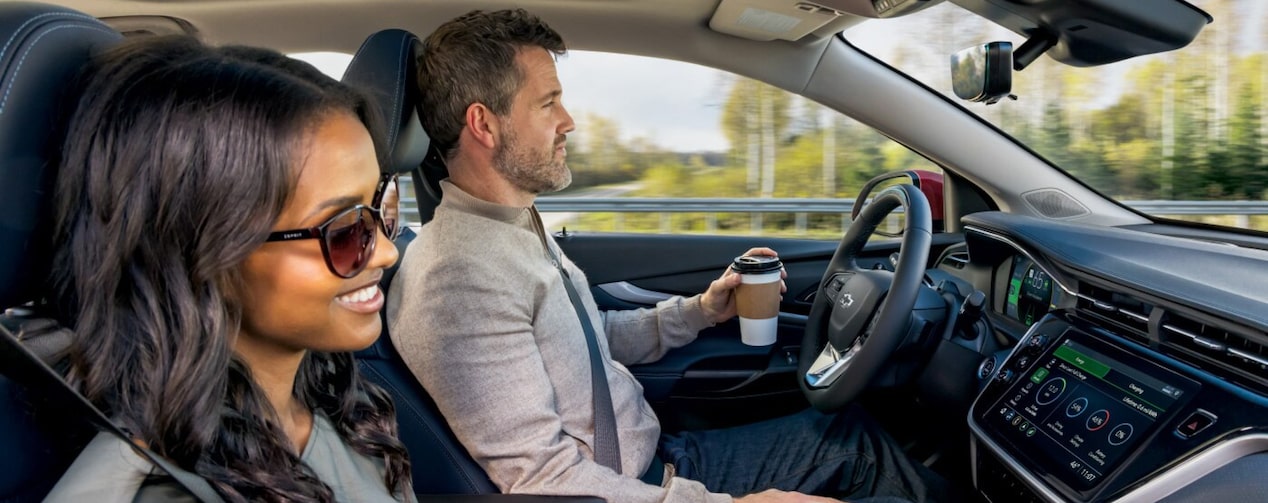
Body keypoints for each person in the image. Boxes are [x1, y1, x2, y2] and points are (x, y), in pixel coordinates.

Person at [389, 8, 949, 503]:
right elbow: (545, 483)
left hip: (654, 460)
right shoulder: (457, 276)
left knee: (847, 435)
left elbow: (585, 342)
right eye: (548, 102)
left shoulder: (511, 228)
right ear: (484, 124)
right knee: (858, 451)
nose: (569, 121)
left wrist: (703, 310)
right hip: (639, 486)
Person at [44, 35, 413, 502]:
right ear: (209, 255)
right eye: (343, 231)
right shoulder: (164, 490)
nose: (386, 251)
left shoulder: (340, 400)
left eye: (383, 205)